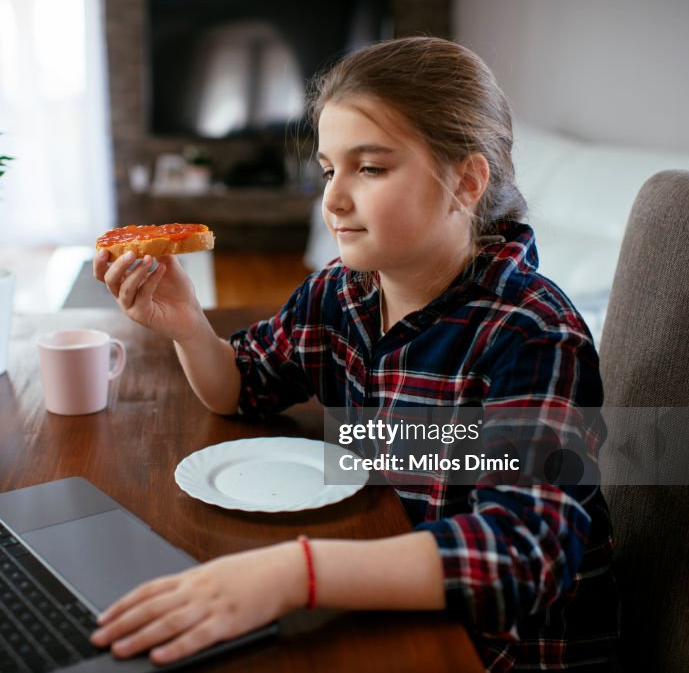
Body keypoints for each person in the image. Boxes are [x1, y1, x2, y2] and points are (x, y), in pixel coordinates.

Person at [90, 37, 619, 672]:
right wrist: (186, 327)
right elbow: (244, 385)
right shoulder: (340, 295)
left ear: (467, 181)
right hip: (384, 602)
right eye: (328, 169)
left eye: (369, 168)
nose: (334, 200)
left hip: (497, 654)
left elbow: (520, 553)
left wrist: (293, 573)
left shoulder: (532, 334)